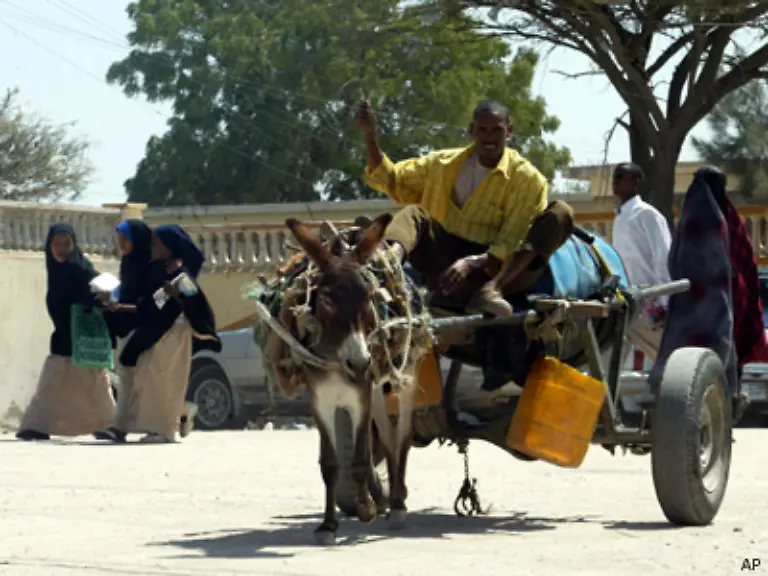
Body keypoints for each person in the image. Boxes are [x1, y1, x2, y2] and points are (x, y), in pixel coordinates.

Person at [356, 99, 574, 319]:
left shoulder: (528, 180)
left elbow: (511, 242)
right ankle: (387, 265)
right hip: (447, 265)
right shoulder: (443, 164)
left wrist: (472, 263)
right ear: (472, 130)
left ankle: (491, 292)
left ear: (509, 131)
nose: (489, 137)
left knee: (561, 212)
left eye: (496, 130)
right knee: (415, 213)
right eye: (482, 130)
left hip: (498, 269)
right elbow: (391, 179)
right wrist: (369, 135)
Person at [652, 166, 754, 420]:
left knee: (680, 356)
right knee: (720, 355)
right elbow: (742, 264)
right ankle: (723, 409)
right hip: (718, 304)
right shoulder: (724, 220)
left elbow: (673, 261)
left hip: (687, 304)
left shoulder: (688, 220)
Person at [110, 224, 220, 443]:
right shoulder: (159, 269)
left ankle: (163, 430)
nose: (153, 247)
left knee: (162, 380)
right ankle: (172, 417)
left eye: (157, 244)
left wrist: (177, 294)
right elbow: (155, 302)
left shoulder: (181, 272)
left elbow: (192, 297)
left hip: (174, 332)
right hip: (158, 330)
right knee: (151, 378)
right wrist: (124, 308)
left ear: (170, 246)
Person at [16, 224, 117, 441]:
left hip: (85, 338)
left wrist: (90, 302)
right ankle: (35, 425)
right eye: (57, 244)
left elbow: (103, 294)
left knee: (95, 383)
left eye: (66, 244)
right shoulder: (56, 272)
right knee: (51, 383)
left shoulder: (81, 269)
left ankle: (110, 424)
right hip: (63, 337)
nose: (62, 249)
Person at [696, 166, 768, 370]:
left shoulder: (726, 220)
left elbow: (744, 260)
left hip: (729, 295)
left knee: (729, 350)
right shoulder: (708, 219)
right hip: (711, 297)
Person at [610, 162, 672, 361]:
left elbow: (663, 257)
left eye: (621, 177)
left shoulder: (647, 214)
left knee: (666, 356)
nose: (615, 181)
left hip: (651, 300)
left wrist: (664, 301)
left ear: (635, 183)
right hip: (628, 299)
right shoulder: (620, 216)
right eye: (615, 177)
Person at [106, 219, 153, 443]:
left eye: (126, 239)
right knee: (126, 378)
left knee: (141, 378)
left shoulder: (150, 265)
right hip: (125, 324)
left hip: (143, 326)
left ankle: (177, 413)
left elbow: (148, 300)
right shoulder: (128, 263)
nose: (122, 244)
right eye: (120, 239)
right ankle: (122, 425)